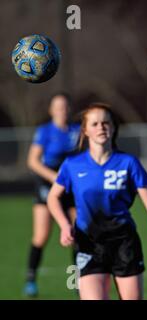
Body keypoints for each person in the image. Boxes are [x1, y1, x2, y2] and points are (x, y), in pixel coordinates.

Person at [47, 103, 147, 300]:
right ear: (85, 130)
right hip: (88, 242)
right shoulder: (72, 165)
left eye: (106, 123)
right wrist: (63, 225)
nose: (101, 127)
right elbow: (53, 197)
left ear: (113, 128)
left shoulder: (128, 163)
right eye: (94, 124)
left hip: (123, 242)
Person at [25, 93, 79, 297]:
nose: (62, 110)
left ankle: (76, 281)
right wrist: (55, 177)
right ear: (51, 110)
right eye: (58, 106)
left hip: (71, 185)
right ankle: (31, 279)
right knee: (42, 235)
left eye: (65, 106)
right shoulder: (45, 131)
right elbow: (33, 161)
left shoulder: (76, 130)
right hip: (48, 184)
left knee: (77, 235)